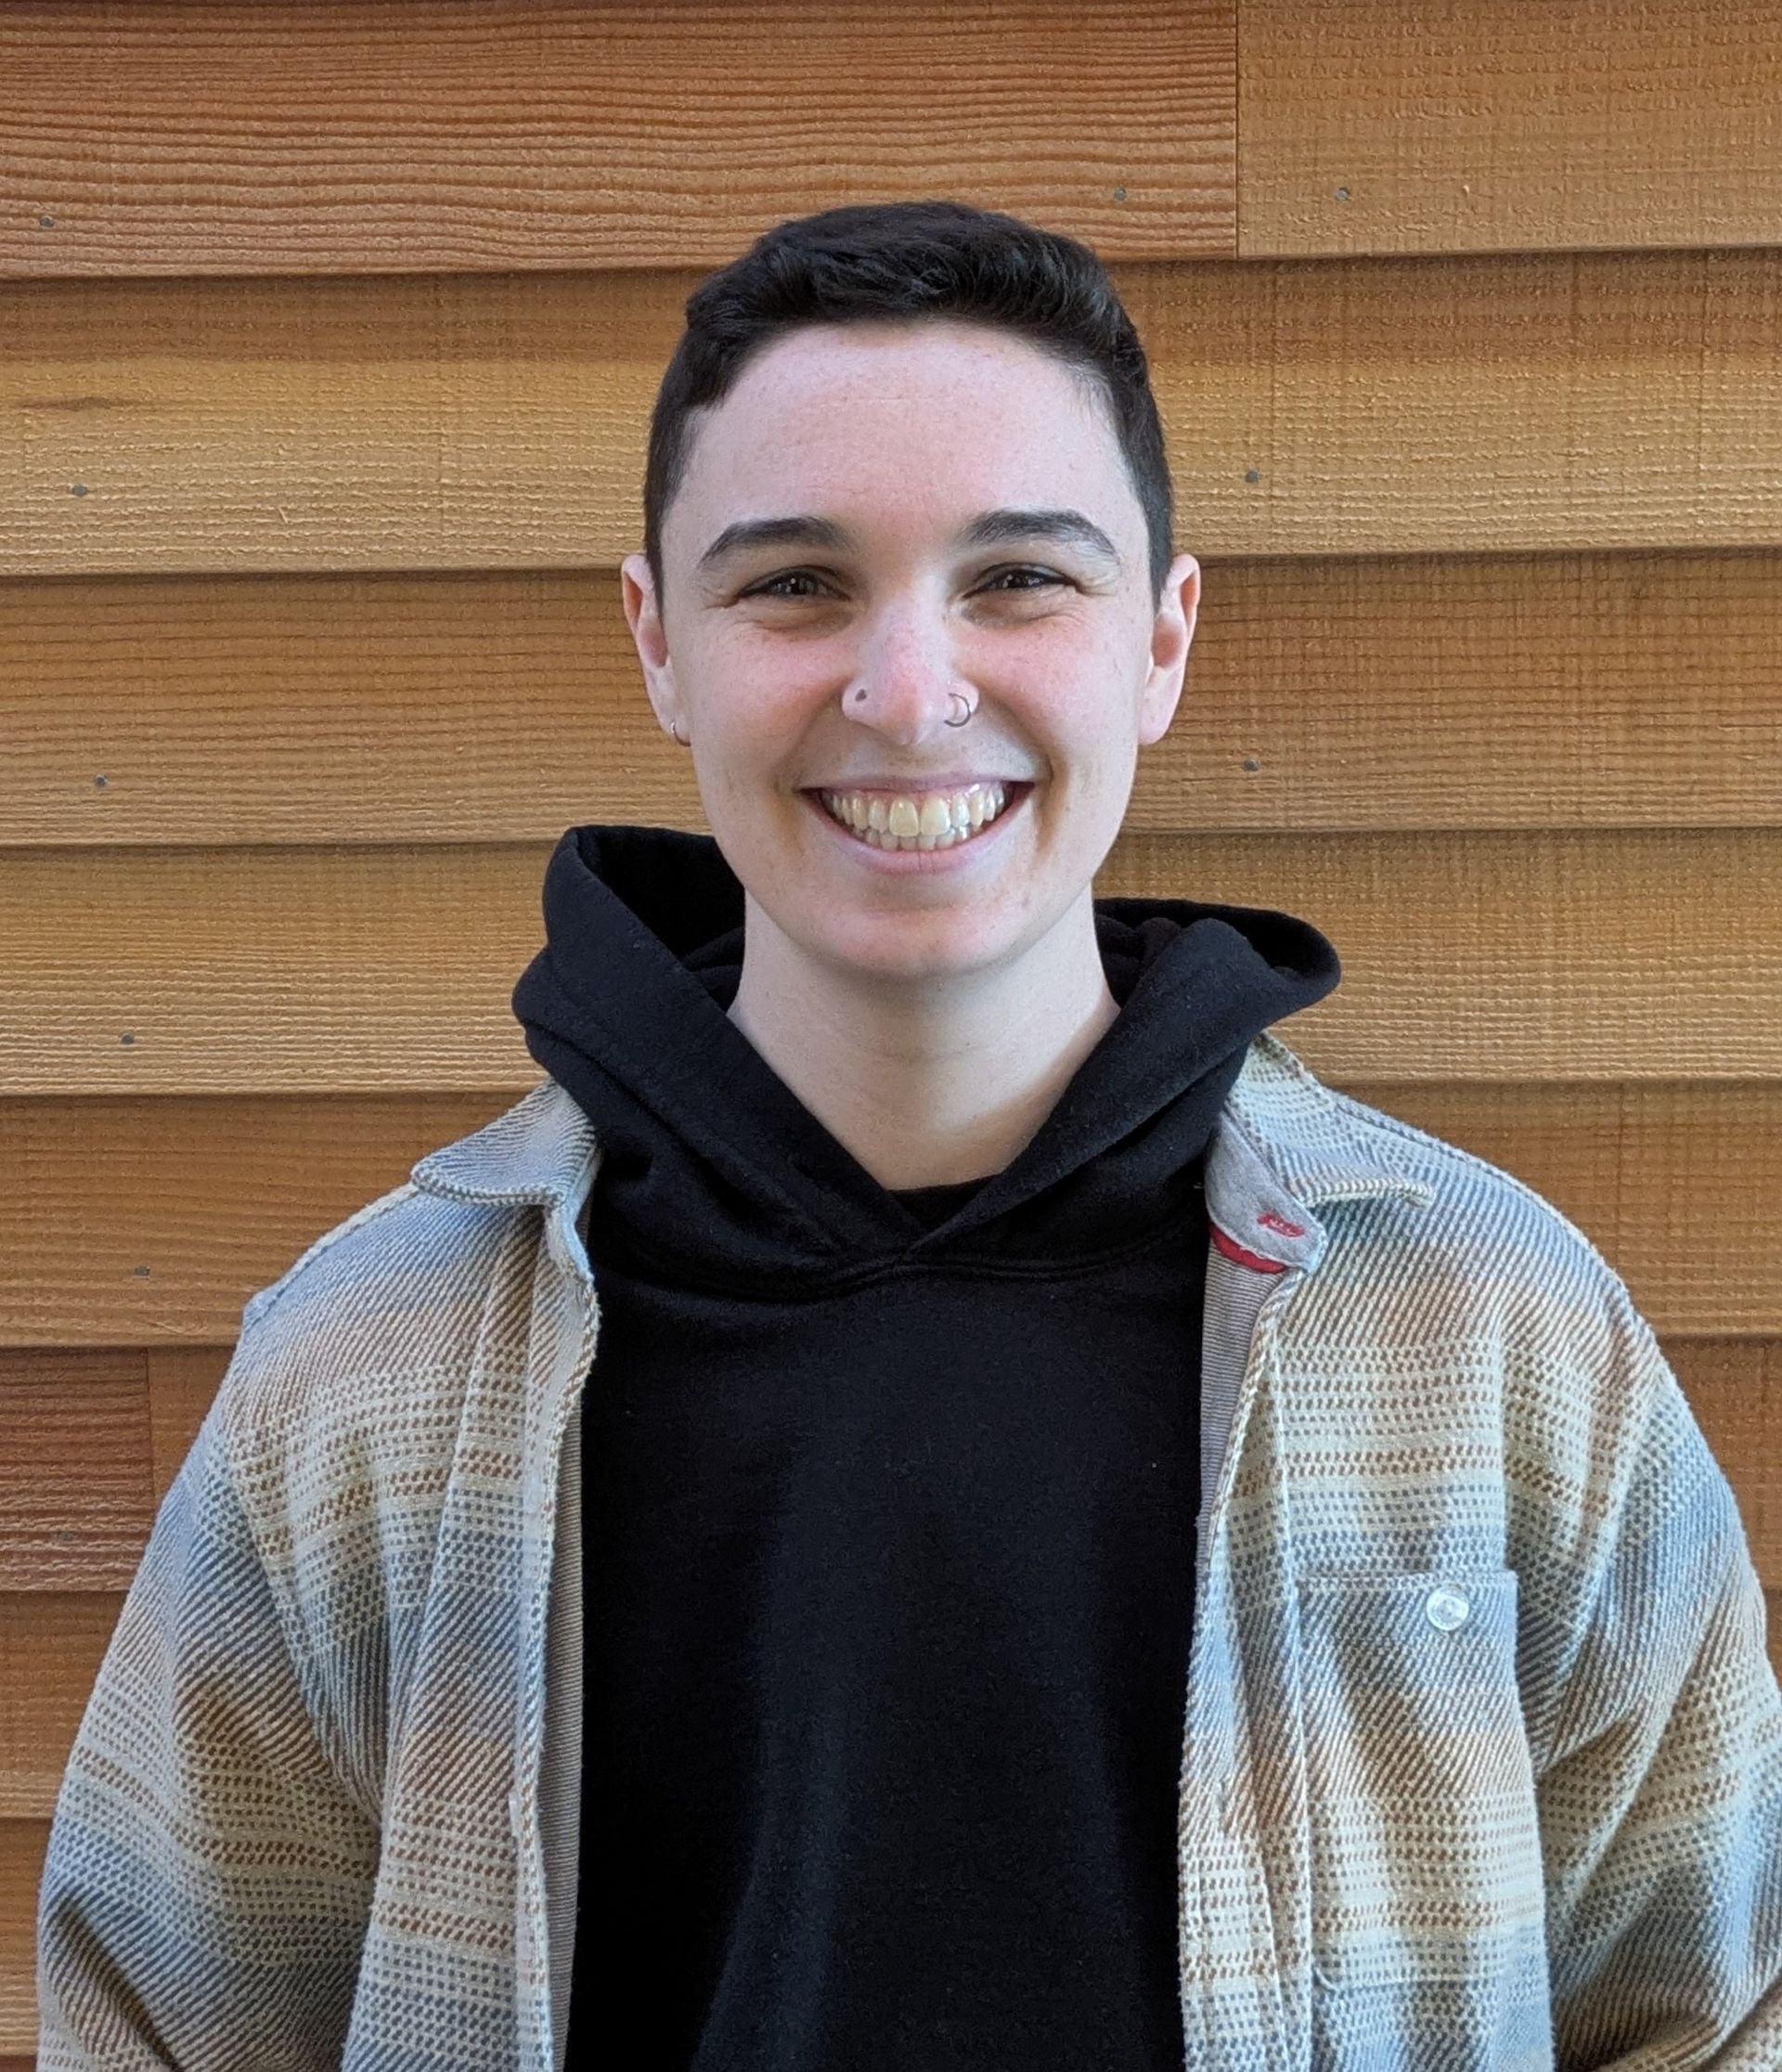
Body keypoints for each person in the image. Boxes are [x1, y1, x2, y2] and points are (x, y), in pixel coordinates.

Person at [34, 200, 1781, 2072]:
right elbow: (165, 2021)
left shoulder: (1497, 1327)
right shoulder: (362, 1370)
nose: (909, 691)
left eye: (1019, 578)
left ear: (1165, 640)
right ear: (659, 643)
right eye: (794, 585)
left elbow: (1707, 2006)